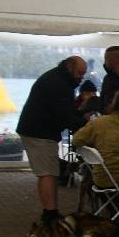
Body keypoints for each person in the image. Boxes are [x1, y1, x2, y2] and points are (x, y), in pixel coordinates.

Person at [16, 56, 89, 224]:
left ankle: (50, 211)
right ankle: (50, 214)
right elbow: (64, 116)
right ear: (70, 68)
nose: (81, 78)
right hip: (40, 133)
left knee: (49, 172)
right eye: (80, 73)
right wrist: (85, 123)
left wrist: (79, 117)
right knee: (48, 173)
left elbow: (66, 111)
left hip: (36, 130)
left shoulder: (58, 78)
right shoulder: (58, 84)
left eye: (83, 74)